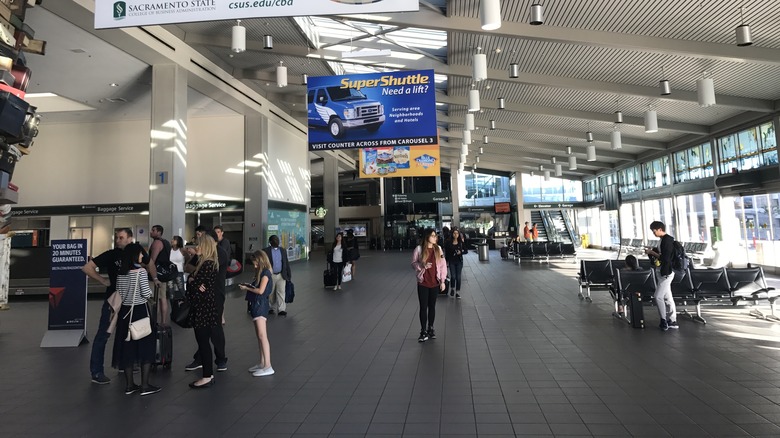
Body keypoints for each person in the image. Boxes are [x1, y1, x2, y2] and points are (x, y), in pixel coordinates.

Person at [82, 228, 132, 385]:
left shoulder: (134, 254)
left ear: (130, 239)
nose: (118, 240)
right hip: (113, 299)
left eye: (121, 238)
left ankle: (123, 363)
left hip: (129, 299)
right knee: (104, 334)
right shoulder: (111, 254)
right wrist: (103, 280)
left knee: (126, 333)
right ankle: (96, 371)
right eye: (117, 237)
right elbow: (87, 267)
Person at [111, 242, 161, 396]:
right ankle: (145, 385)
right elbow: (146, 293)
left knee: (128, 349)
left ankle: (129, 385)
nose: (142, 256)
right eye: (140, 253)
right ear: (135, 255)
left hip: (125, 313)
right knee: (145, 348)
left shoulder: (121, 273)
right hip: (139, 312)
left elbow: (119, 293)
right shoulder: (140, 272)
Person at [186, 234, 220, 388]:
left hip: (203, 309)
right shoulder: (206, 263)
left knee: (203, 342)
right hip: (204, 308)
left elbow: (195, 287)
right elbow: (193, 284)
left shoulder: (207, 265)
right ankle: (208, 374)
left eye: (198, 245)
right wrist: (193, 283)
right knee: (203, 342)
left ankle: (207, 375)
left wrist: (193, 282)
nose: (195, 248)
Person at [239, 250, 275, 377]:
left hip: (260, 305)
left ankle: (268, 365)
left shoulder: (265, 274)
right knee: (259, 336)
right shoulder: (262, 273)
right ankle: (262, 362)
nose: (254, 266)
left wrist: (247, 288)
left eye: (256, 264)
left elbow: (261, 291)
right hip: (257, 305)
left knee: (262, 336)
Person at [411, 228, 448, 343]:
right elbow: (413, 263)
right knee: (423, 307)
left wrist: (442, 281)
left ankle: (431, 328)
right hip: (423, 282)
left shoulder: (438, 249)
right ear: (427, 237)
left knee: (432, 306)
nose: (435, 238)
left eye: (435, 236)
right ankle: (423, 331)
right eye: (432, 236)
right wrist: (422, 266)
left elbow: (443, 265)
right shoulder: (419, 249)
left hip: (435, 282)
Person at [644, 221, 679, 331]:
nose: (653, 233)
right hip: (663, 272)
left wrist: (652, 253)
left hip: (666, 273)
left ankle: (663, 320)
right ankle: (672, 320)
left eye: (654, 231)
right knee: (668, 297)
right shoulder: (662, 240)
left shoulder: (667, 240)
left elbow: (666, 258)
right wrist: (653, 251)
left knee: (658, 296)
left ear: (660, 229)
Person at [146, 225, 171, 326]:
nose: (151, 232)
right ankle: (163, 321)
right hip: (163, 274)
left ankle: (153, 320)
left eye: (153, 230)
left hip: (155, 274)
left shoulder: (157, 243)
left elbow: (152, 260)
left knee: (153, 298)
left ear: (159, 232)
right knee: (163, 298)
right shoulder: (166, 243)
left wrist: (147, 269)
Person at [264, 235, 291, 315]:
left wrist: (288, 274)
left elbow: (286, 262)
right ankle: (270, 308)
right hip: (271, 275)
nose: (277, 241)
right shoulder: (266, 251)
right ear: (270, 242)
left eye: (277, 240)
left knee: (281, 292)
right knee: (270, 292)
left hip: (281, 275)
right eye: (274, 240)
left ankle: (281, 309)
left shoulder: (282, 250)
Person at [444, 228, 466, 299]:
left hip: (459, 261)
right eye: (454, 233)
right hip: (451, 261)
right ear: (452, 234)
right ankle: (452, 288)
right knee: (453, 276)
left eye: (457, 233)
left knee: (458, 277)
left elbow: (466, 251)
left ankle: (457, 292)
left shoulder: (461, 242)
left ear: (459, 234)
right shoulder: (448, 243)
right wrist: (446, 261)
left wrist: (461, 252)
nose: (455, 235)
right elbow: (446, 253)